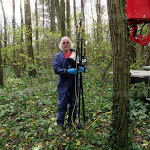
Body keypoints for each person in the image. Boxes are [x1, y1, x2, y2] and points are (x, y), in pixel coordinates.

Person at [53, 36, 84, 130]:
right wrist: (66, 71)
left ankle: (72, 121)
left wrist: (82, 68)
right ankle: (60, 124)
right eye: (63, 43)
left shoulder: (76, 55)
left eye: (67, 42)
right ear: (61, 45)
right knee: (62, 103)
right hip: (63, 83)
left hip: (74, 82)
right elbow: (56, 69)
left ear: (70, 44)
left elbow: (82, 64)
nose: (66, 44)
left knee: (74, 102)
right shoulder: (58, 56)